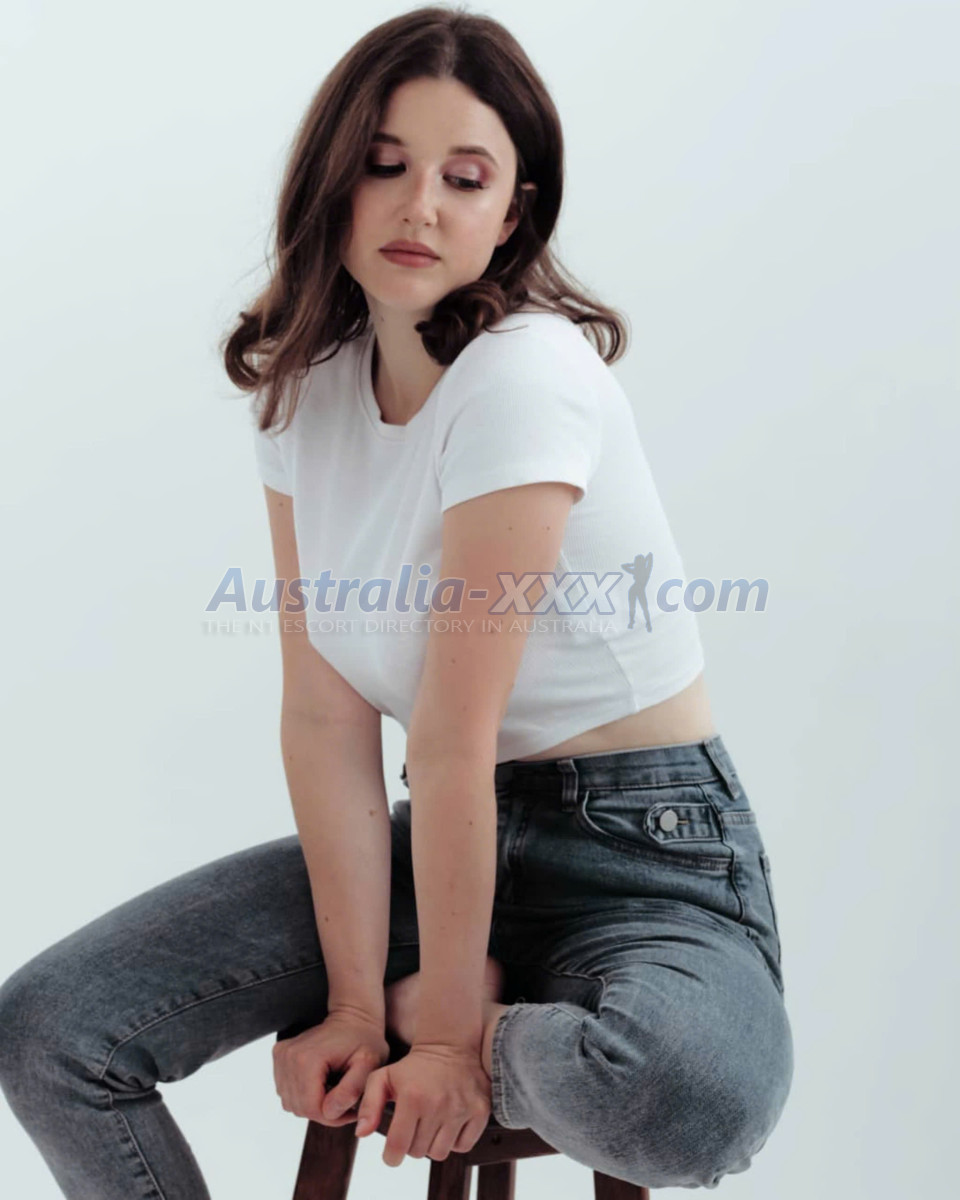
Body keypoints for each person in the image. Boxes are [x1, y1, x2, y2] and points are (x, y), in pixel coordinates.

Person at [0, 6, 793, 1194]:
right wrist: (359, 1007)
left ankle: (496, 1015)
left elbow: (455, 734)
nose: (420, 206)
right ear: (332, 181)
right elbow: (326, 717)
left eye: (464, 179)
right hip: (443, 848)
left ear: (511, 213)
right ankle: (464, 996)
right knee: (54, 1031)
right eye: (385, 166)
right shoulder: (306, 389)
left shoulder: (523, 378)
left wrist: (453, 1040)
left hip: (642, 851)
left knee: (677, 1098)